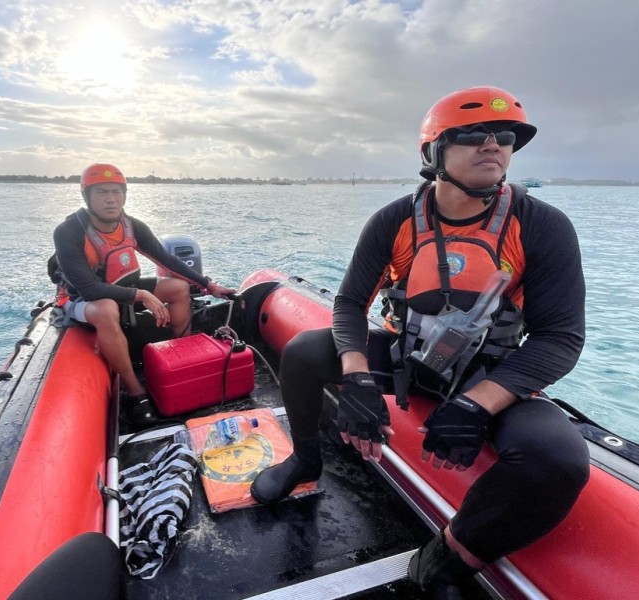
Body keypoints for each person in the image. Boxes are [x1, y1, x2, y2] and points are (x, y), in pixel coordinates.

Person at [250, 87, 590, 595]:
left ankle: (446, 560)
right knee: (303, 352)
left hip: (488, 374)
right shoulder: (395, 221)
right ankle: (305, 459)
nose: (492, 146)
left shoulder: (541, 226)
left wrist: (478, 405)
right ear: (434, 152)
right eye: (472, 136)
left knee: (558, 461)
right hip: (408, 358)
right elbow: (349, 306)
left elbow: (560, 337)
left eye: (505, 137)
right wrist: (357, 377)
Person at [51, 163, 235, 427]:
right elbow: (88, 289)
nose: (111, 199)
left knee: (179, 288)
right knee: (105, 309)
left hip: (126, 288)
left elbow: (167, 260)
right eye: (101, 192)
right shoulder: (68, 232)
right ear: (87, 196)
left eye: (117, 192)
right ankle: (135, 392)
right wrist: (141, 295)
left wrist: (209, 285)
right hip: (81, 301)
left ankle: (180, 359)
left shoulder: (131, 226)